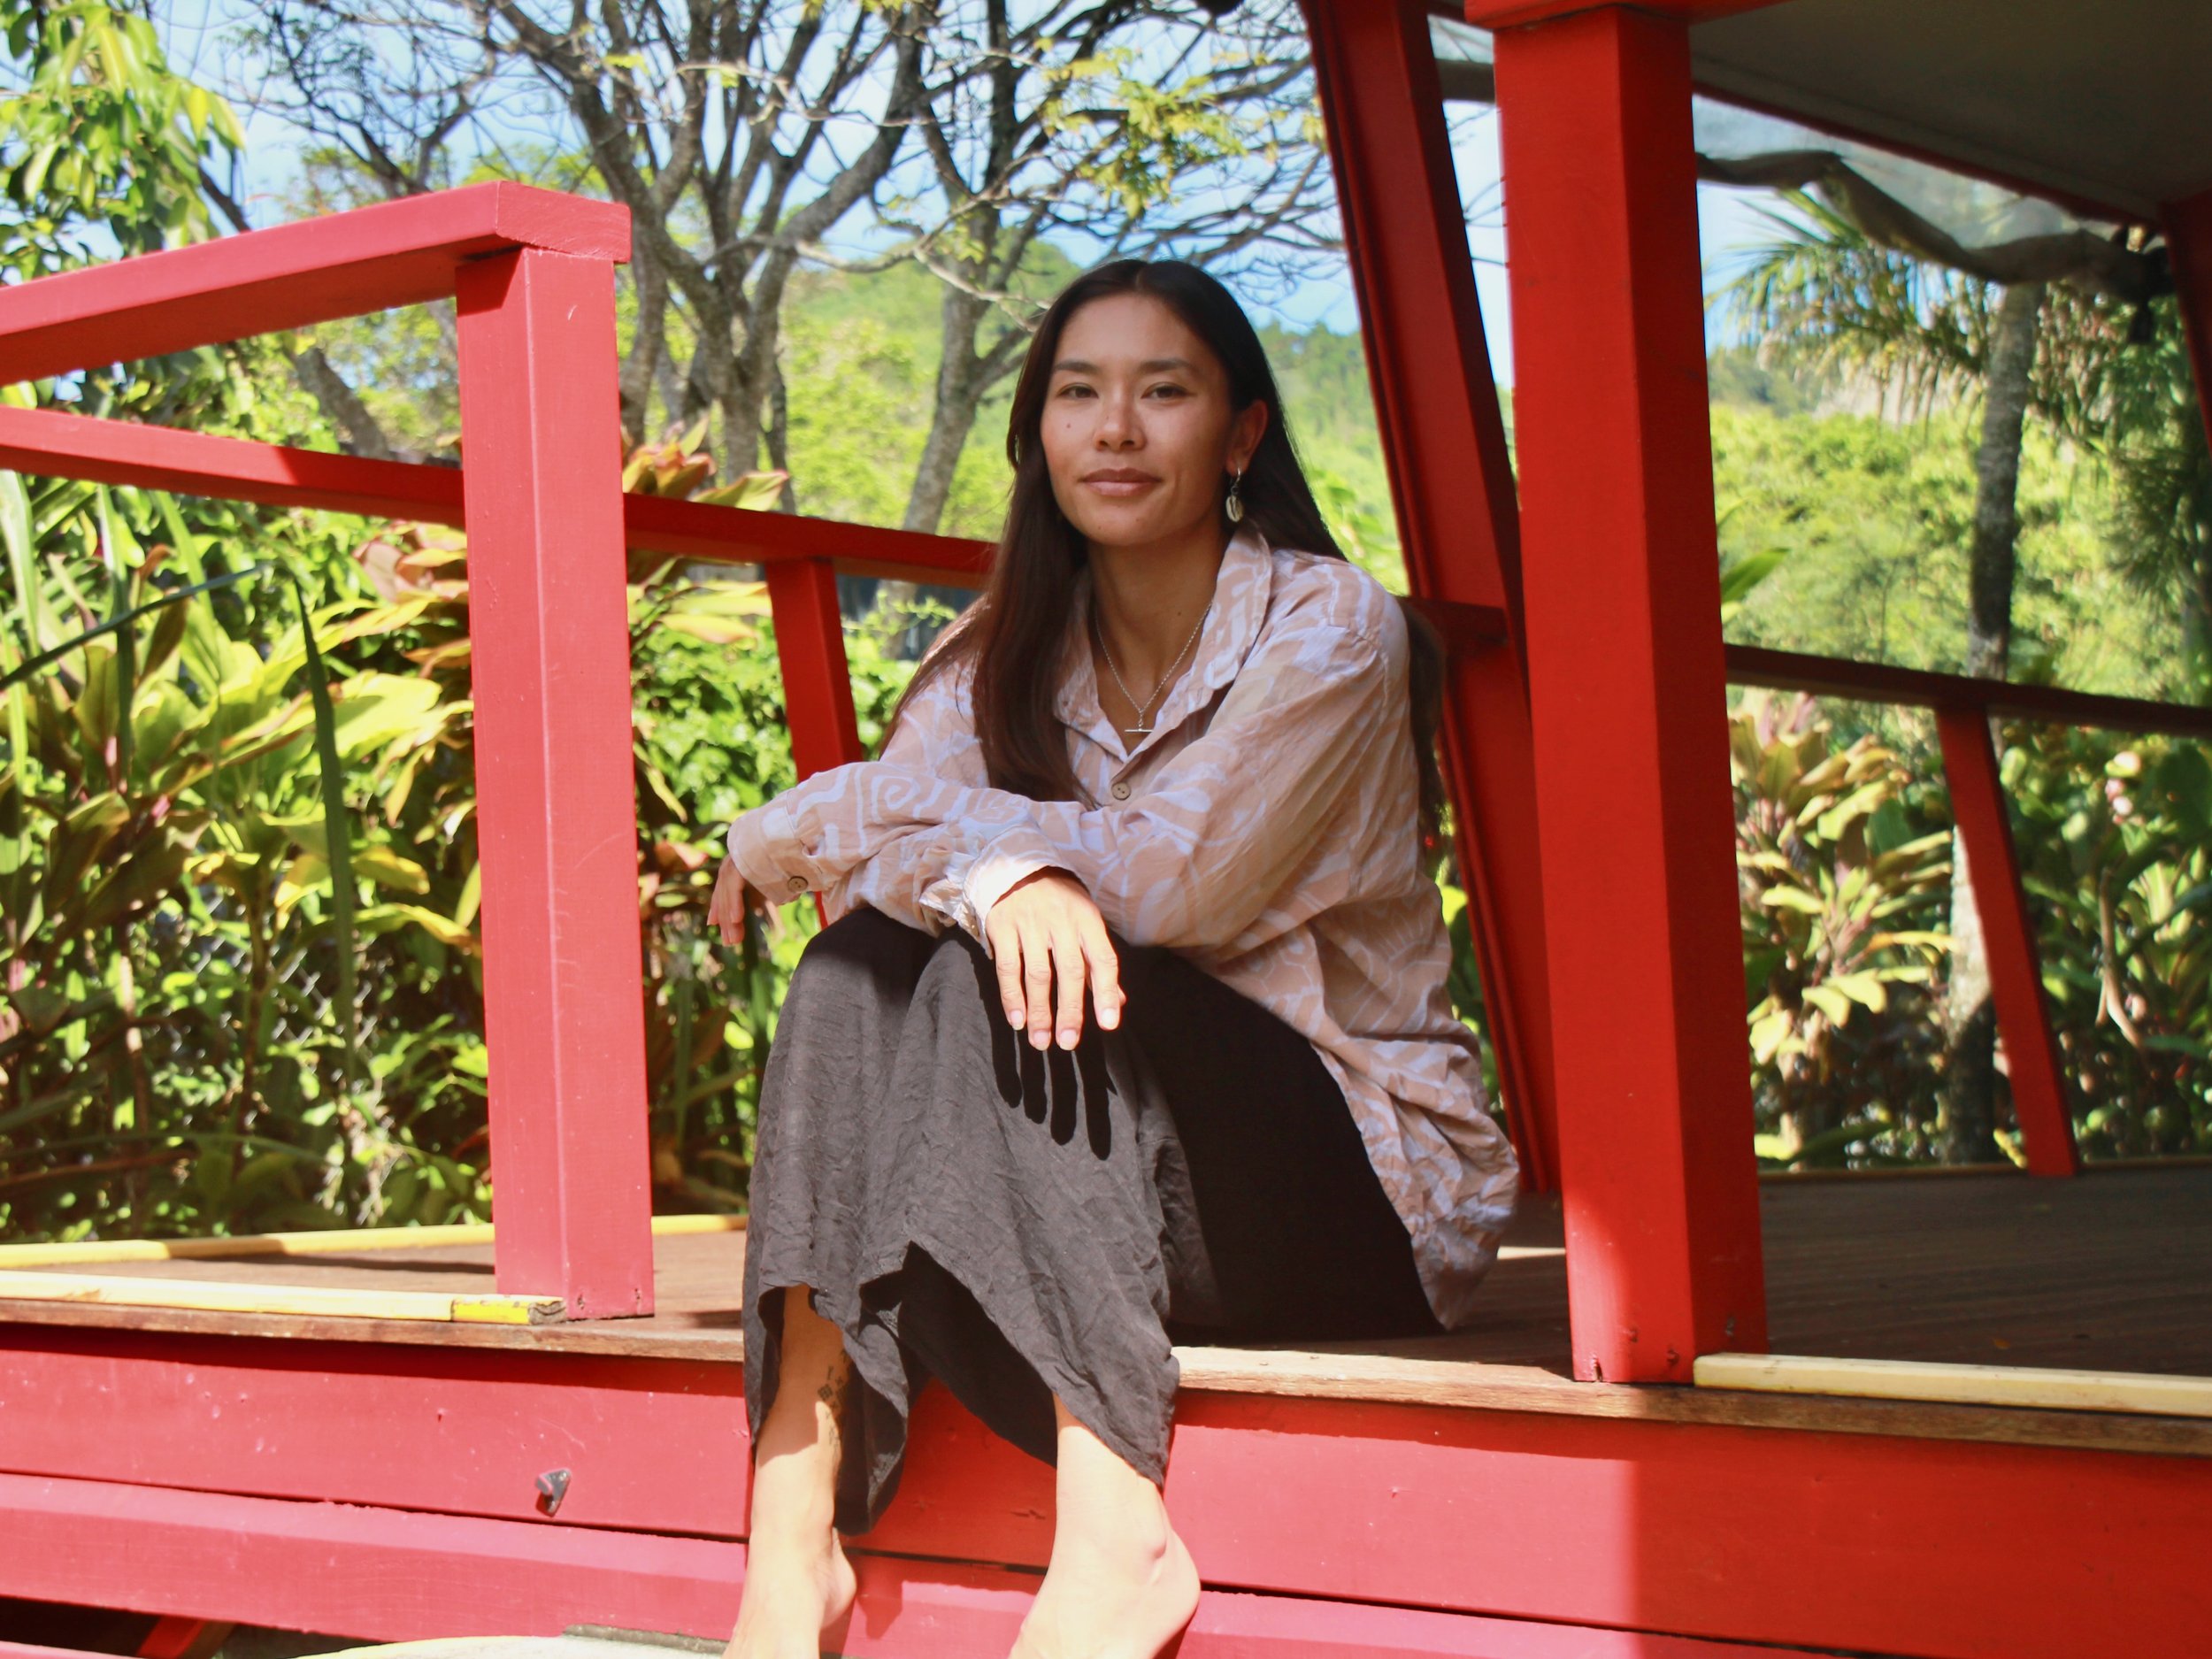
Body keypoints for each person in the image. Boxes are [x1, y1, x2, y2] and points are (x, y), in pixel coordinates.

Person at [706, 258, 1520, 1659]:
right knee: (855, 973)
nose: (1118, 430)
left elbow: (1172, 882)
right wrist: (994, 868)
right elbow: (903, 886)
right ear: (1037, 437)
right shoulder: (994, 658)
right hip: (1091, 1197)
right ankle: (790, 1537)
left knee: (1029, 955)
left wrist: (836, 816)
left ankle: (1116, 1534)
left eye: (1165, 391)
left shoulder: (1329, 625)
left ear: (1242, 436)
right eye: (1079, 394)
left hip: (1355, 1193)